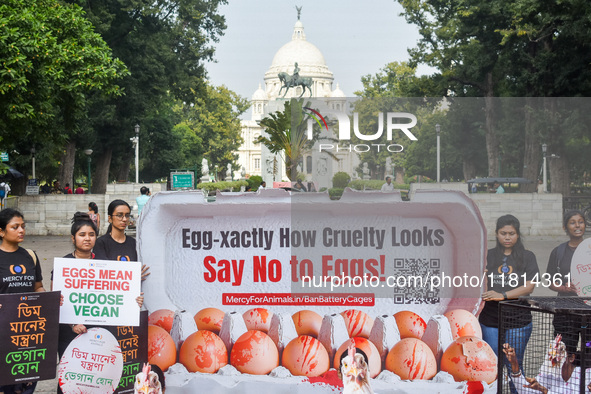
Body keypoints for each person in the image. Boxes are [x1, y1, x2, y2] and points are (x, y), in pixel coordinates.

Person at [52, 212, 143, 394]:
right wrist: (72, 323)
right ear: (73, 238)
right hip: (70, 334)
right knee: (71, 377)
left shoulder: (106, 265)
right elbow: (55, 301)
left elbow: (117, 296)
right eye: (82, 235)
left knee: (97, 378)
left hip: (100, 332)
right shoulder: (64, 265)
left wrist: (134, 301)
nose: (87, 239)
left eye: (91, 235)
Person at [479, 214, 539, 373]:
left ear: (518, 235)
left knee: (514, 363)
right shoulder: (487, 255)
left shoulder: (528, 256)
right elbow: (475, 282)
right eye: (503, 233)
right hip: (490, 319)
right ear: (496, 233)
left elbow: (529, 287)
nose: (507, 237)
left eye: (511, 234)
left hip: (518, 320)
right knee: (491, 363)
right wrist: (480, 274)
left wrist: (503, 295)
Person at [0, 208, 45, 394]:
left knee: (25, 382)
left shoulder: (30, 256)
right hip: (3, 332)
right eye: (15, 227)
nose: (21, 231)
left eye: (23, 226)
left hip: (27, 331)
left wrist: (49, 298)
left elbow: (37, 287)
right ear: (1, 231)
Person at [547, 210, 587, 351]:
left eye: (580, 222)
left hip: (589, 310)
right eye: (572, 222)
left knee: (588, 350)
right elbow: (549, 280)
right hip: (565, 310)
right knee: (564, 352)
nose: (577, 226)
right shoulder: (558, 252)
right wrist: (563, 288)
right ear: (565, 227)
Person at [503, 342, 591, 393]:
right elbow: (525, 391)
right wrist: (514, 363)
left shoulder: (586, 375)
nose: (554, 357)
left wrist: (544, 391)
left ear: (571, 358)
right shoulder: (549, 374)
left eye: (560, 352)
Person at [93, 200, 149, 279]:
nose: (124, 219)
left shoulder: (133, 243)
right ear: (110, 218)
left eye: (127, 215)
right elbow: (102, 273)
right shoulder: (101, 243)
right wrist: (132, 277)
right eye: (120, 215)